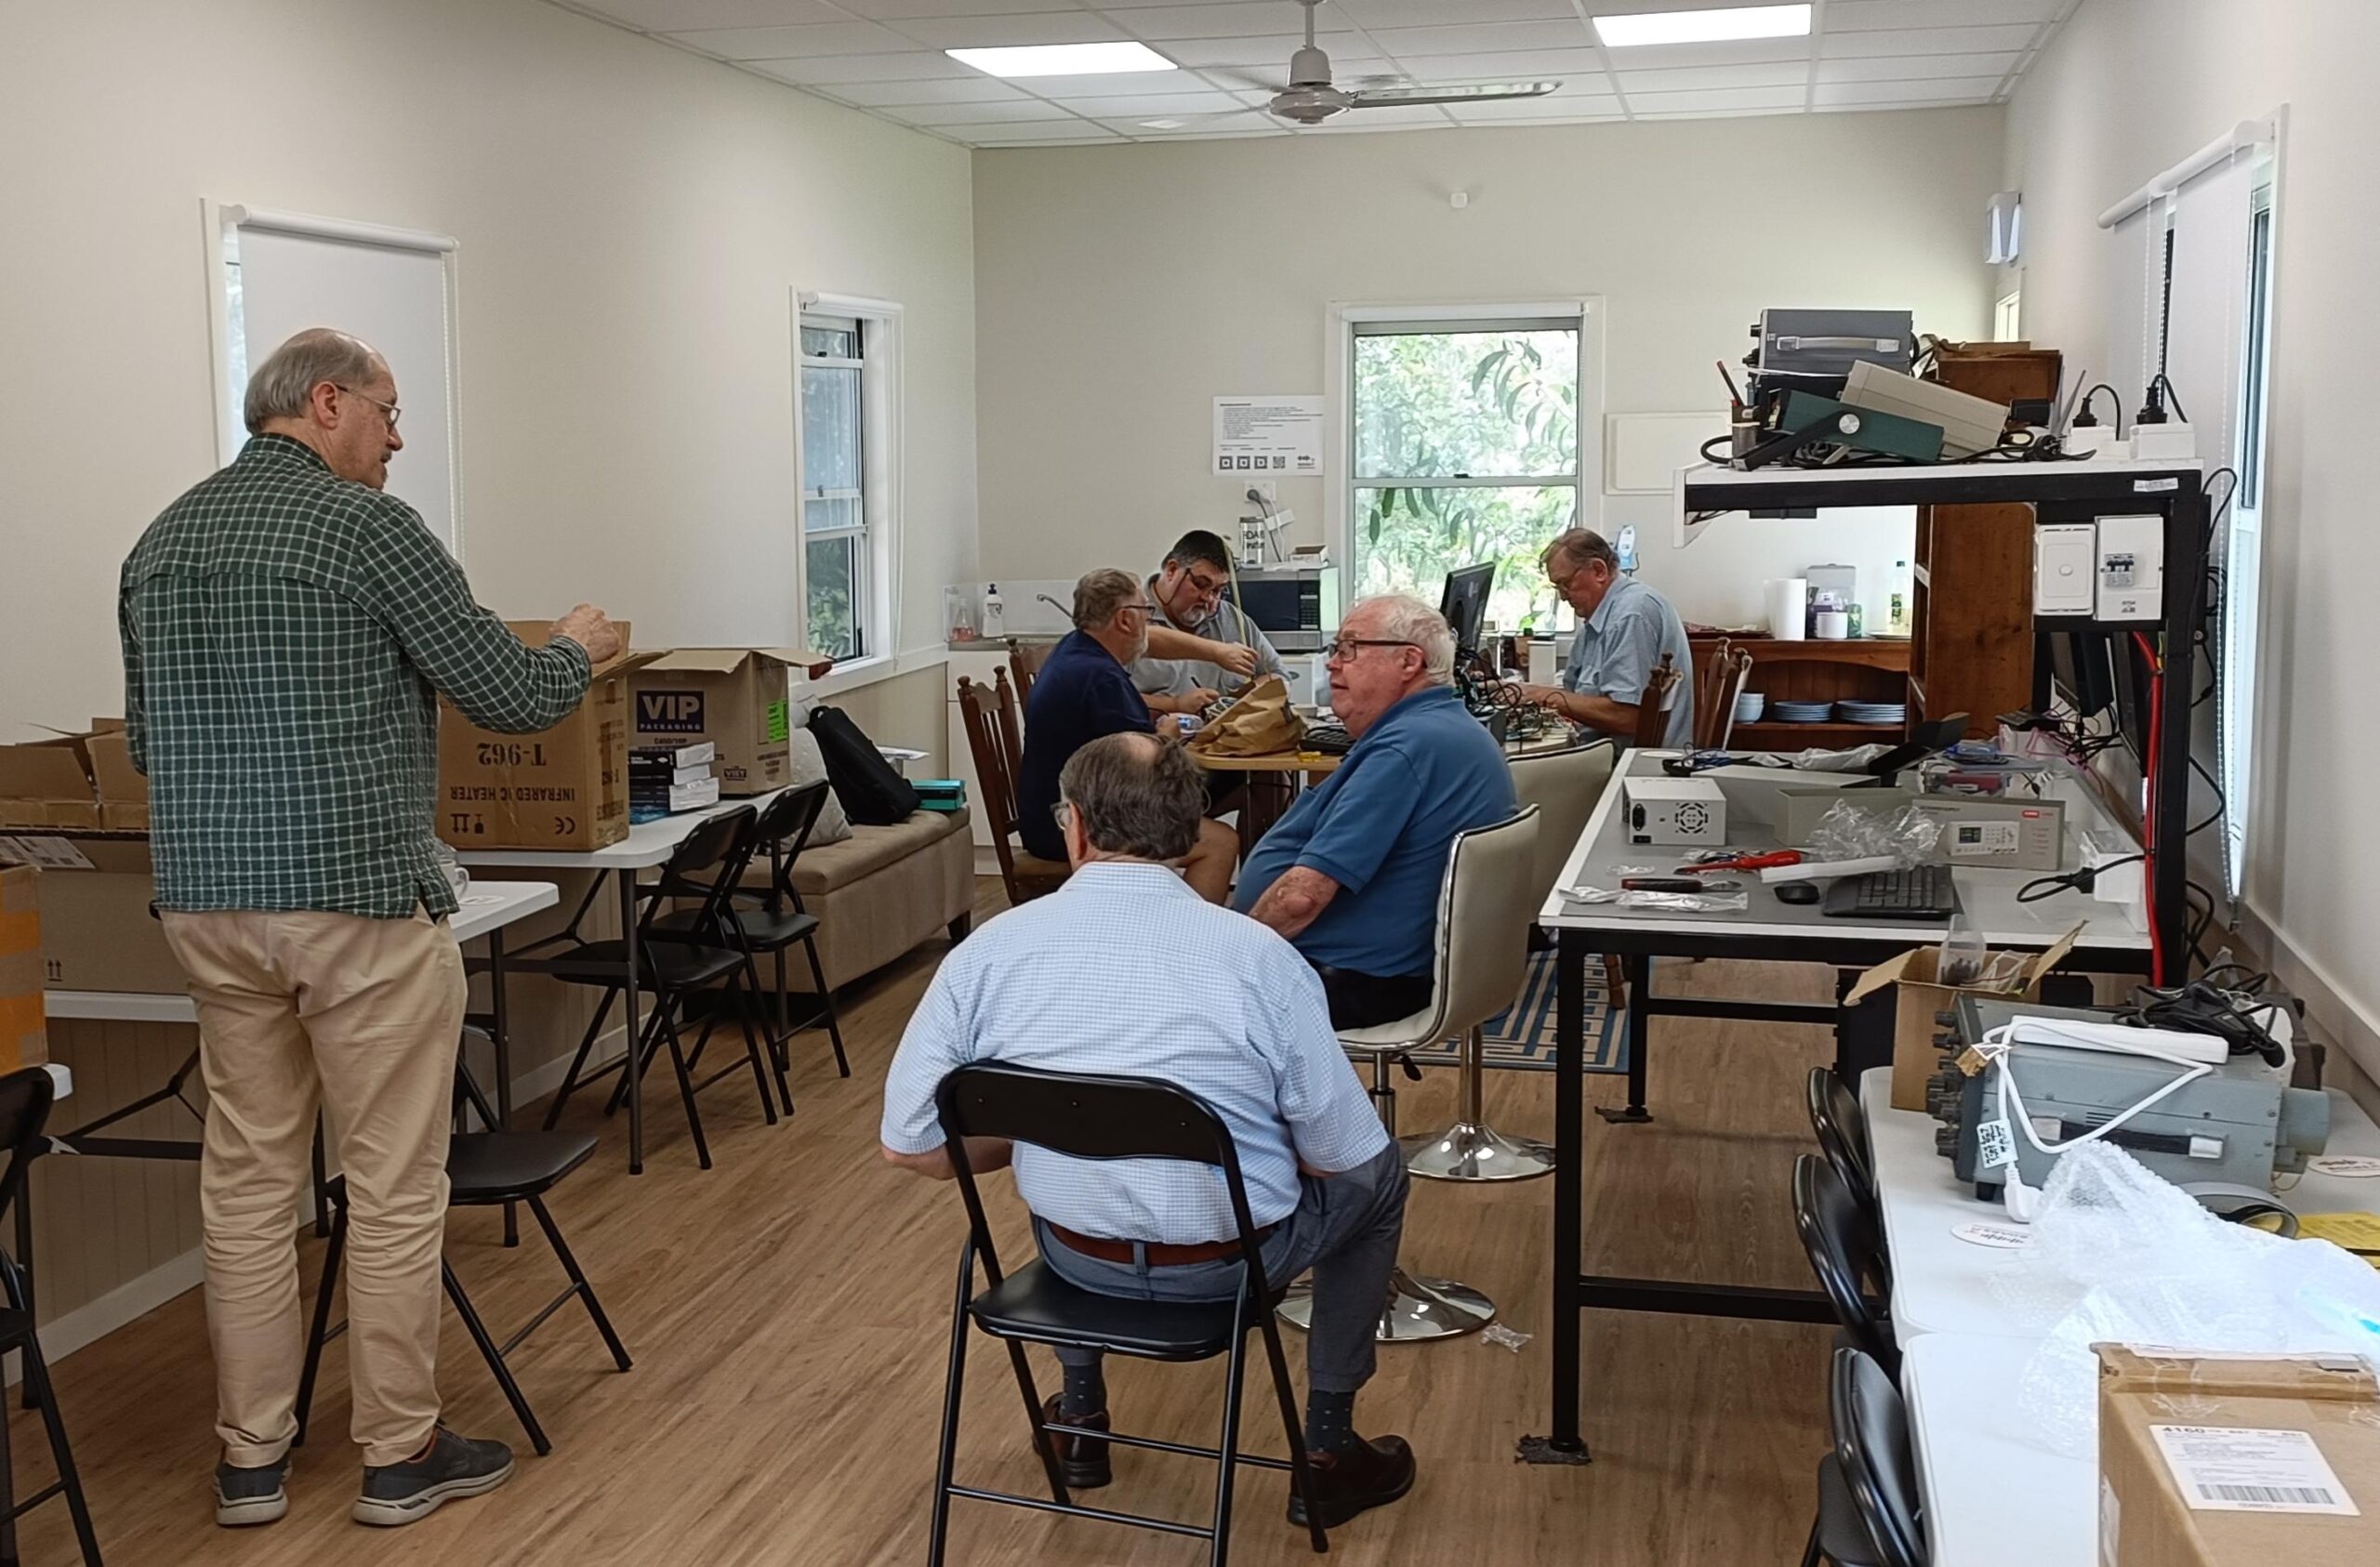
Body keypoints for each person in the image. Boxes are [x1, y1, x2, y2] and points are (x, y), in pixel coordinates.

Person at [119, 328, 621, 1531]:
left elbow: (145, 746)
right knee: (392, 1185)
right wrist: (579, 653)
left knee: (243, 1188)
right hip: (350, 901)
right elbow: (505, 699)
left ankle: (251, 1463)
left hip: (206, 902)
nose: (398, 438)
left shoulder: (159, 544)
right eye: (389, 412)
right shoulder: (366, 529)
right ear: (326, 401)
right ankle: (398, 1453)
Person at [880, 732, 1418, 1528]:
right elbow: (1340, 1155)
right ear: (1191, 833)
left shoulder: (986, 955)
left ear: (1076, 828)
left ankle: (1081, 1423)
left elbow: (909, 1143)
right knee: (1382, 1180)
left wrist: (1033, 1137)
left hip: (1074, 1256)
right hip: (1229, 1268)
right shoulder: (1257, 958)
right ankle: (1330, 1448)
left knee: (1066, 1153)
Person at [1234, 597, 1517, 1029]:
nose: (1333, 664)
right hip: (1380, 968)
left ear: (1409, 661)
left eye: (1349, 648)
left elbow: (1300, 897)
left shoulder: (1404, 748)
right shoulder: (1440, 728)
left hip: (1349, 977)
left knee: (1156, 992)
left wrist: (1233, 953)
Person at [1014, 568, 1237, 902]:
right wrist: (1168, 737)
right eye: (1146, 612)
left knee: (1221, 794)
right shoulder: (1101, 678)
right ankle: (1185, 935)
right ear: (1124, 620)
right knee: (1221, 841)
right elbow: (1140, 771)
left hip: (1051, 816)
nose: (1149, 622)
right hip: (1076, 828)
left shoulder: (1076, 650)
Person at [1516, 527, 1695, 747]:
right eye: (1557, 587)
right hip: (1610, 755)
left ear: (1599, 571)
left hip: (1631, 764)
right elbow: (1577, 696)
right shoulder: (1600, 617)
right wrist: (1519, 690)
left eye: (1566, 584)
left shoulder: (1631, 615)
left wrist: (1541, 695)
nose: (1562, 596)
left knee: (1516, 772)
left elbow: (1626, 717)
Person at [1130, 529, 1287, 715]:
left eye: (1219, 590)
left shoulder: (1231, 619)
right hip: (1149, 738)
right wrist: (1173, 704)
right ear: (1172, 570)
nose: (1209, 599)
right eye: (1201, 584)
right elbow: (1109, 698)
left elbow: (1280, 677)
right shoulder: (1132, 613)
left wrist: (1240, 702)